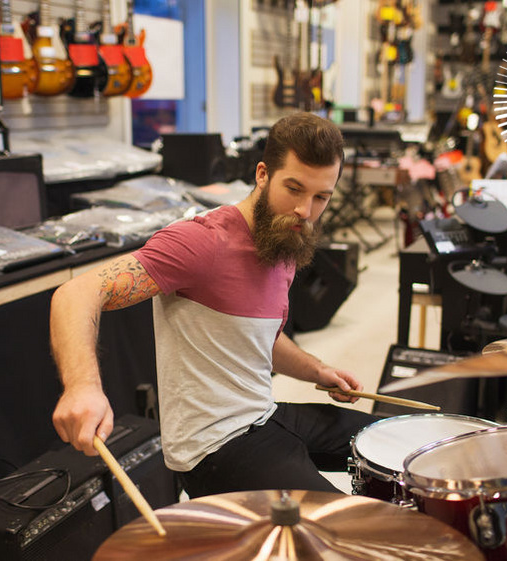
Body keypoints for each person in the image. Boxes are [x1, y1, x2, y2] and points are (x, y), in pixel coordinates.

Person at [50, 112, 378, 498]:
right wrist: (82, 388)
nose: (305, 211)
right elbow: (77, 292)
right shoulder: (201, 242)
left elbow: (257, 340)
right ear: (262, 174)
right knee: (344, 530)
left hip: (262, 415)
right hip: (214, 447)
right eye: (294, 188)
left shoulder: (285, 237)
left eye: (321, 197)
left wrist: (318, 370)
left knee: (400, 439)